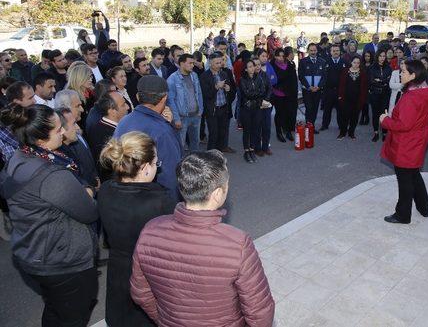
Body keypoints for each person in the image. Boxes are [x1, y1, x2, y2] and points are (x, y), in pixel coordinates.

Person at [130, 150, 275, 326]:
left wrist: (164, 320)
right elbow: (259, 311)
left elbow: (140, 293)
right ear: (217, 194)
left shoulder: (149, 231)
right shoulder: (238, 244)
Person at [0, 104, 98, 326]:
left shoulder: (19, 156)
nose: (63, 131)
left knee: (56, 309)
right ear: (41, 141)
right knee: (73, 314)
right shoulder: (51, 175)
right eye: (57, 130)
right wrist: (88, 191)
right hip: (62, 263)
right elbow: (89, 211)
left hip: (34, 252)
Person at [98, 132, 175, 327]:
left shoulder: (106, 190)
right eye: (156, 162)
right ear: (144, 167)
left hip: (119, 270)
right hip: (150, 275)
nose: (158, 166)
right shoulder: (161, 201)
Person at [379, 60, 428, 224]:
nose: (401, 74)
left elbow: (403, 125)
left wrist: (385, 120)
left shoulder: (412, 97)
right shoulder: (427, 92)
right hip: (417, 141)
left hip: (406, 143)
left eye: (404, 71)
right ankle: (423, 207)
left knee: (405, 180)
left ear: (413, 75)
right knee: (414, 175)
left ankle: (403, 215)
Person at [114, 76, 182, 201]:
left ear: (138, 97)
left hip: (123, 194)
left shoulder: (124, 121)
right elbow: (171, 176)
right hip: (153, 200)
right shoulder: (162, 131)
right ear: (164, 98)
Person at [199, 51, 236, 152]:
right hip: (212, 110)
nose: (220, 65)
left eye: (220, 62)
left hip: (223, 107)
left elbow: (230, 90)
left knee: (223, 131)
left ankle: (220, 150)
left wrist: (228, 89)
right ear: (210, 63)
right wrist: (216, 87)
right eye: (217, 63)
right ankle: (211, 154)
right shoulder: (204, 76)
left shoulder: (223, 74)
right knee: (213, 133)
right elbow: (205, 95)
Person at [167, 54, 203, 153]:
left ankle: (194, 165)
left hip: (196, 116)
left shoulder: (194, 75)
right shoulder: (172, 79)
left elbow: (199, 93)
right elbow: (170, 100)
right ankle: (180, 166)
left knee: (195, 143)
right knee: (180, 145)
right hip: (182, 118)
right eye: (190, 63)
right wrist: (176, 119)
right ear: (182, 64)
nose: (192, 65)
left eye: (193, 63)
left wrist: (200, 110)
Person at [86, 91, 129, 164]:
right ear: (112, 111)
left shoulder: (110, 127)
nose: (128, 107)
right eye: (123, 105)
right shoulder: (105, 135)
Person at [239, 59, 267, 162]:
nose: (253, 68)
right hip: (246, 108)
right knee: (247, 130)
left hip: (257, 108)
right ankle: (246, 151)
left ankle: (252, 149)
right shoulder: (242, 79)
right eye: (250, 66)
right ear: (246, 69)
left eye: (253, 66)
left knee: (255, 130)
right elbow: (246, 94)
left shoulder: (258, 78)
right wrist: (256, 94)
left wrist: (255, 94)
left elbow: (263, 90)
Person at [298, 43, 327, 132]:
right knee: (309, 108)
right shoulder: (303, 62)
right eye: (311, 50)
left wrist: (318, 87)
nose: (313, 52)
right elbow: (301, 76)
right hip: (307, 90)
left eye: (314, 50)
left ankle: (312, 126)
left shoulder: (322, 61)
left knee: (314, 109)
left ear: (317, 50)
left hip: (318, 90)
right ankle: (308, 126)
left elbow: (324, 76)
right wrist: (309, 87)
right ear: (308, 51)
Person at [338, 56, 367, 140]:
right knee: (345, 116)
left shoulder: (362, 73)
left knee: (354, 117)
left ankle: (351, 133)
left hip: (357, 99)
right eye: (354, 62)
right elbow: (341, 85)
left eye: (358, 63)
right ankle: (342, 133)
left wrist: (363, 98)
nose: (356, 64)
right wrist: (340, 96)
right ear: (351, 62)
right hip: (346, 98)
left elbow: (364, 87)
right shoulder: (345, 71)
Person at [271, 48, 296, 142]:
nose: (281, 58)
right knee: (279, 114)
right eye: (279, 56)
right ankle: (279, 132)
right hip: (278, 93)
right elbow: (273, 80)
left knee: (289, 112)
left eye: (283, 56)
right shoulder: (272, 65)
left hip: (289, 93)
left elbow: (293, 79)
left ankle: (288, 131)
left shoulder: (289, 64)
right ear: (275, 56)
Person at [254, 49, 275, 156]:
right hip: (256, 106)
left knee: (267, 127)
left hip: (266, 104)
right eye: (255, 64)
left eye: (259, 65)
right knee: (257, 127)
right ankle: (257, 148)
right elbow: (248, 91)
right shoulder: (249, 76)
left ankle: (266, 147)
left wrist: (266, 100)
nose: (258, 67)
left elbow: (269, 88)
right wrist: (259, 102)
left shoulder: (264, 74)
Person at [369, 49, 392, 142]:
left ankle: (385, 133)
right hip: (375, 94)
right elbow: (371, 81)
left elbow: (389, 80)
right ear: (377, 56)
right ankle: (376, 132)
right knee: (375, 114)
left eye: (384, 56)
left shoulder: (388, 67)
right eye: (380, 56)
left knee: (384, 114)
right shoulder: (372, 67)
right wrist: (382, 81)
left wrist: (380, 80)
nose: (382, 58)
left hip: (385, 94)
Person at [321, 44, 346, 131]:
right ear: (330, 52)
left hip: (340, 91)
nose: (335, 52)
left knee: (341, 110)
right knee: (327, 110)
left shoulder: (344, 62)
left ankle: (341, 126)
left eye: (337, 51)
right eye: (334, 51)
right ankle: (324, 125)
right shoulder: (325, 62)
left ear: (340, 52)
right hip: (329, 90)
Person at [65, 61, 96, 130]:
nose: (91, 79)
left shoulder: (90, 92)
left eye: (91, 76)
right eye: (87, 77)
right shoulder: (72, 96)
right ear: (79, 78)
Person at [283, 46, 299, 140]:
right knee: (288, 111)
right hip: (288, 92)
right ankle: (287, 129)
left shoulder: (292, 63)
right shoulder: (286, 65)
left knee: (293, 109)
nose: (294, 54)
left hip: (294, 91)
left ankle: (292, 126)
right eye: (292, 53)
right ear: (289, 54)